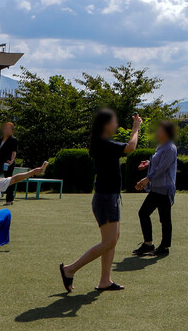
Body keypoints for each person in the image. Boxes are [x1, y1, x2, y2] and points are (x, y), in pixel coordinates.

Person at [59, 109, 141, 293]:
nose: (117, 125)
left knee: (112, 240)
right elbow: (131, 147)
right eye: (114, 122)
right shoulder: (103, 143)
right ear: (105, 124)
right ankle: (70, 269)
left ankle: (105, 280)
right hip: (106, 198)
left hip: (108, 196)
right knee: (109, 241)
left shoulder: (101, 143)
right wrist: (136, 128)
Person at [133, 120, 178, 257]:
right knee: (144, 213)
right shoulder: (162, 146)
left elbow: (162, 168)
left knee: (164, 218)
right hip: (157, 188)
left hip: (164, 189)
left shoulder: (170, 148)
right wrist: (148, 163)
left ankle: (164, 247)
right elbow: (159, 163)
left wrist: (147, 179)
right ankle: (149, 244)